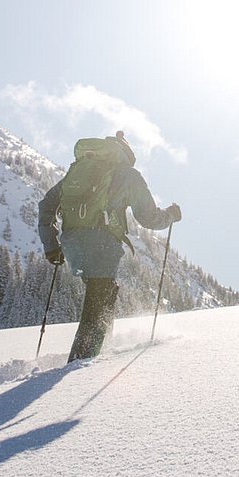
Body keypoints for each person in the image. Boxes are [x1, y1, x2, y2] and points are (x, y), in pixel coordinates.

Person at [38, 131, 181, 362]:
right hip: (102, 242)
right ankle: (80, 364)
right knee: (99, 299)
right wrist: (170, 216)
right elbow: (148, 217)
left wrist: (51, 245)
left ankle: (100, 351)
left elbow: (46, 206)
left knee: (103, 293)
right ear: (127, 155)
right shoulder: (128, 174)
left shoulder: (76, 172)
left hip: (72, 242)